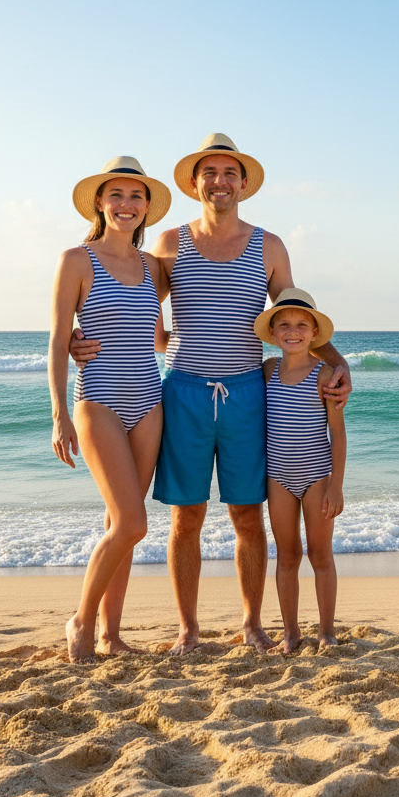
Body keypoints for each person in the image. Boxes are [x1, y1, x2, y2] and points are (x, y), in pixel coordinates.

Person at [69, 133, 352, 655]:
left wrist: (336, 360)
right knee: (187, 517)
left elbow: (295, 316)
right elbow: (134, 310)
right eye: (210, 173)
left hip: (247, 394)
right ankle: (188, 630)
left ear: (243, 183)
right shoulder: (168, 244)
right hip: (182, 393)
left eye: (229, 173)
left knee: (247, 514)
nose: (219, 182)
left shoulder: (269, 245)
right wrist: (74, 337)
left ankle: (251, 623)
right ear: (195, 181)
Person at [49, 156, 172, 662]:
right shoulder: (76, 260)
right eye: (116, 195)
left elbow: (162, 333)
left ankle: (110, 634)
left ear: (147, 208)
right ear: (100, 202)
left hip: (149, 400)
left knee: (120, 524)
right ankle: (80, 620)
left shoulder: (153, 268)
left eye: (136, 197)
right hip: (98, 399)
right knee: (132, 522)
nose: (127, 205)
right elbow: (59, 340)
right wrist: (59, 414)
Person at [254, 290, 346, 655]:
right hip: (278, 478)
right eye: (285, 325)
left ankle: (326, 631)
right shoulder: (268, 370)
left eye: (302, 326)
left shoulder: (325, 374)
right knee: (287, 555)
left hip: (317, 477)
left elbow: (337, 434)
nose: (293, 332)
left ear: (314, 334)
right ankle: (290, 634)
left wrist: (335, 486)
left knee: (320, 554)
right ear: (274, 332)